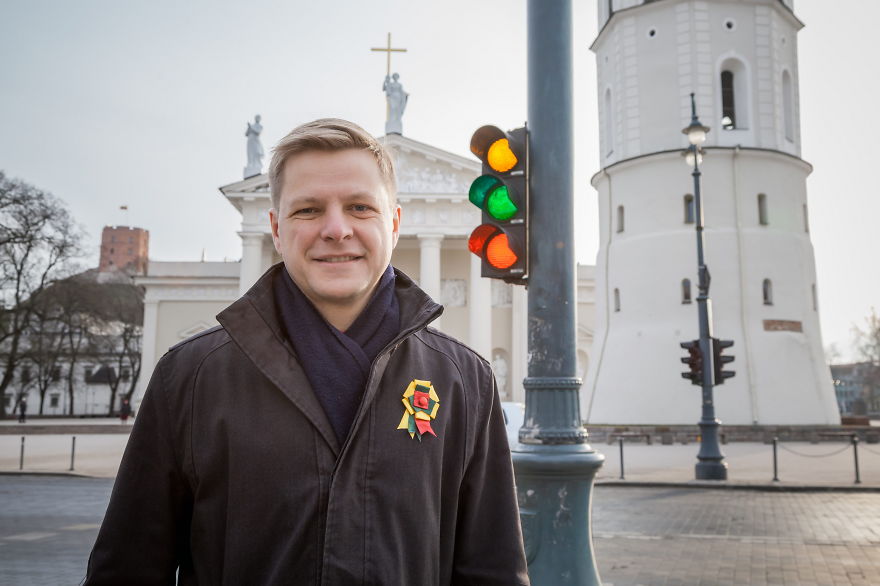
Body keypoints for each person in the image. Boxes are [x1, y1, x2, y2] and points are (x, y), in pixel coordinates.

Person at [85, 118, 529, 585]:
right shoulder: (192, 376)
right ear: (275, 229)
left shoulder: (464, 380)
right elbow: (128, 570)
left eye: (360, 207)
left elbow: (491, 572)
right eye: (308, 210)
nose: (336, 230)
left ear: (394, 224)